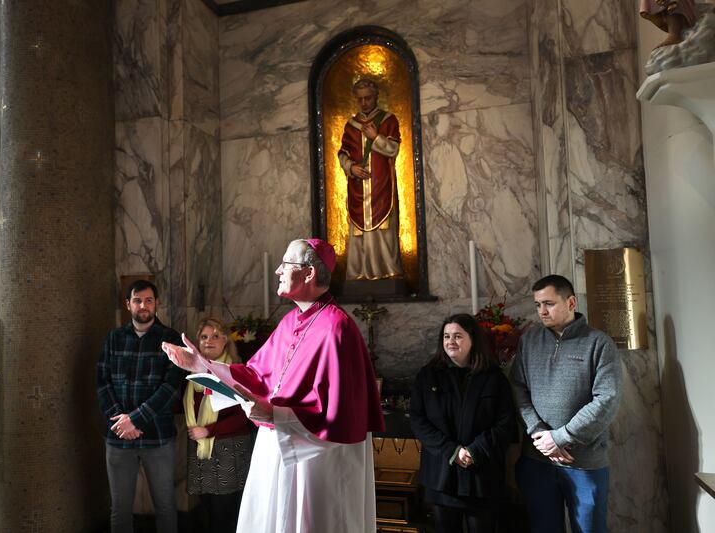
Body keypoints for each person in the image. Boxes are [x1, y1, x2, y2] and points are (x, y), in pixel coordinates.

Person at [163, 238, 385, 533]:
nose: (278, 270)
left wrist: (275, 415)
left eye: (286, 264)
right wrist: (202, 365)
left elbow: (339, 414)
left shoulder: (336, 327)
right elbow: (256, 374)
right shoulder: (290, 320)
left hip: (317, 457)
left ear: (308, 273)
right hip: (276, 446)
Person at [510, 275, 623, 533]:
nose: (542, 311)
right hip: (537, 458)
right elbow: (517, 387)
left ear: (571, 302)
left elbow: (607, 399)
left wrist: (562, 436)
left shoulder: (599, 343)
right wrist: (539, 432)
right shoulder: (529, 341)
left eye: (548, 303)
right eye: (538, 305)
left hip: (583, 462)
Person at [410, 313, 517, 533]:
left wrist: (474, 451)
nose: (451, 341)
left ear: (473, 339)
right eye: (446, 336)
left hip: (482, 478)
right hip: (442, 477)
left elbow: (505, 423)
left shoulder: (494, 377)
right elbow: (419, 421)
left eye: (458, 336)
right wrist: (453, 451)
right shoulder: (428, 376)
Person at [96, 280, 183, 533]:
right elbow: (102, 383)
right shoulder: (113, 338)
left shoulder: (171, 338)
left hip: (158, 436)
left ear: (156, 304)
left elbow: (171, 387)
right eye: (137, 300)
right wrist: (120, 420)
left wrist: (136, 419)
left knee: (165, 505)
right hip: (118, 436)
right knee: (120, 509)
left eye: (148, 300)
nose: (143, 306)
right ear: (128, 304)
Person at [185, 317, 253, 532]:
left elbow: (243, 416)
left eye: (215, 336)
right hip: (202, 448)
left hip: (228, 448)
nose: (208, 341)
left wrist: (207, 430)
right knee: (207, 506)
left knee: (224, 512)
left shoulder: (234, 372)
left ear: (225, 341)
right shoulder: (194, 373)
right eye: (203, 337)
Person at [338, 78, 404, 281]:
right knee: (359, 231)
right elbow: (342, 154)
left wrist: (376, 137)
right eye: (360, 99)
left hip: (380, 186)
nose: (364, 103)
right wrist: (351, 167)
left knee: (383, 227)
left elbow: (393, 149)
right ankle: (358, 273)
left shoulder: (388, 120)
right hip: (358, 188)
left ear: (376, 97)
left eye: (368, 98)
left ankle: (387, 270)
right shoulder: (351, 125)